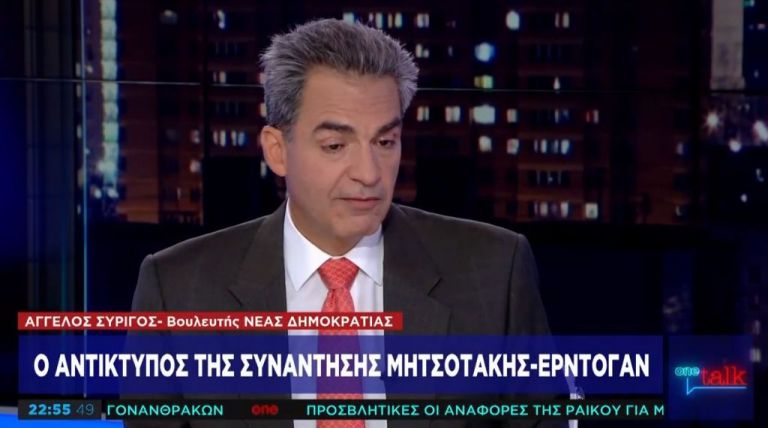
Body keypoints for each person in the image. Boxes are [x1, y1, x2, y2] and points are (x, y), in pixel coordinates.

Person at [130, 18, 559, 428]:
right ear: (277, 151)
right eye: (336, 145)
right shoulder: (177, 291)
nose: (369, 174)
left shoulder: (494, 271)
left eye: (385, 142)